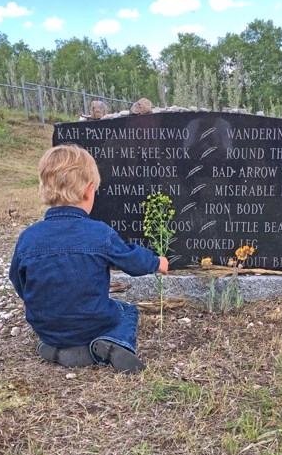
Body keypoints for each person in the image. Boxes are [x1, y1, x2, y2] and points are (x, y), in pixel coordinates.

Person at [9, 144, 168, 374]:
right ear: (88, 191)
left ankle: (53, 348)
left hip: (46, 326)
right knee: (128, 311)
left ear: (44, 189)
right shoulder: (100, 234)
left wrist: (42, 301)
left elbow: (18, 280)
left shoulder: (28, 237)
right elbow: (131, 260)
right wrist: (157, 262)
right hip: (92, 322)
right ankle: (114, 343)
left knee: (58, 326)